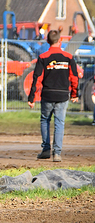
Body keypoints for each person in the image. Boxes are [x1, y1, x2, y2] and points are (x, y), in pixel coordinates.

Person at [27, 30, 79, 162]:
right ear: (60, 40)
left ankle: (45, 150)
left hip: (48, 95)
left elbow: (37, 78)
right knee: (59, 123)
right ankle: (57, 153)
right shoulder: (68, 57)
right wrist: (74, 94)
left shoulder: (43, 57)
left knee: (45, 120)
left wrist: (31, 97)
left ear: (48, 41)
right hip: (62, 95)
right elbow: (74, 77)